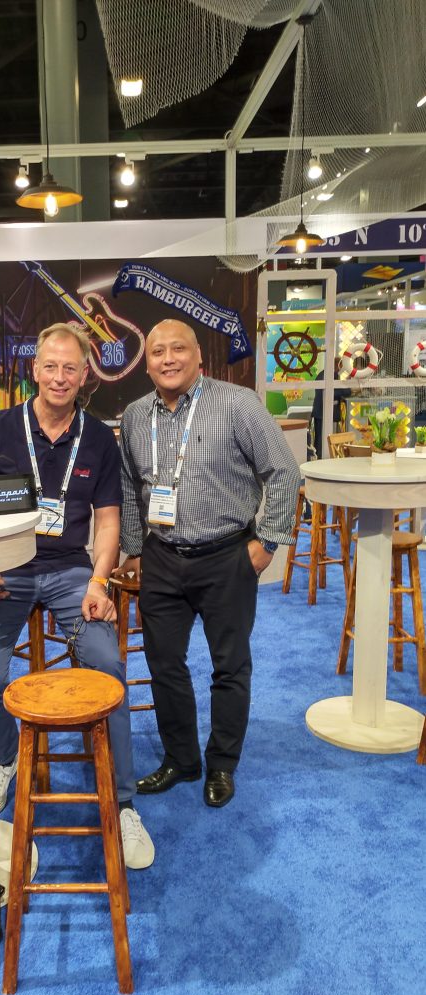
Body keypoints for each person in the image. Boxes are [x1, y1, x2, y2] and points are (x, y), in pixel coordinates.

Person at [0, 322, 154, 869]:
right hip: (7, 569)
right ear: (35, 369)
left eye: (70, 368)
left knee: (107, 667)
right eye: (50, 366)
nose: (59, 376)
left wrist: (99, 582)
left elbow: (109, 519)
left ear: (85, 375)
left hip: (72, 570)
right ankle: (3, 758)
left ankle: (122, 802)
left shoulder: (98, 438)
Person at [117, 319, 299, 808]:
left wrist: (268, 542)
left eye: (178, 348)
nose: (168, 359)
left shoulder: (238, 404)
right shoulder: (135, 416)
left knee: (229, 666)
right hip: (161, 557)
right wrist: (134, 549)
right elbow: (129, 487)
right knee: (164, 664)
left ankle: (221, 764)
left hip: (227, 557)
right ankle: (181, 760)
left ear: (199, 355)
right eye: (158, 351)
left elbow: (284, 470)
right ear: (147, 363)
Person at [311, 360, 352, 460]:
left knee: (320, 440)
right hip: (323, 413)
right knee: (322, 441)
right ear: (338, 366)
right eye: (342, 367)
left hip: (320, 412)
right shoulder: (330, 375)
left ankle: (319, 459)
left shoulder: (322, 374)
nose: (342, 370)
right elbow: (336, 391)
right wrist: (350, 389)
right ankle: (322, 460)